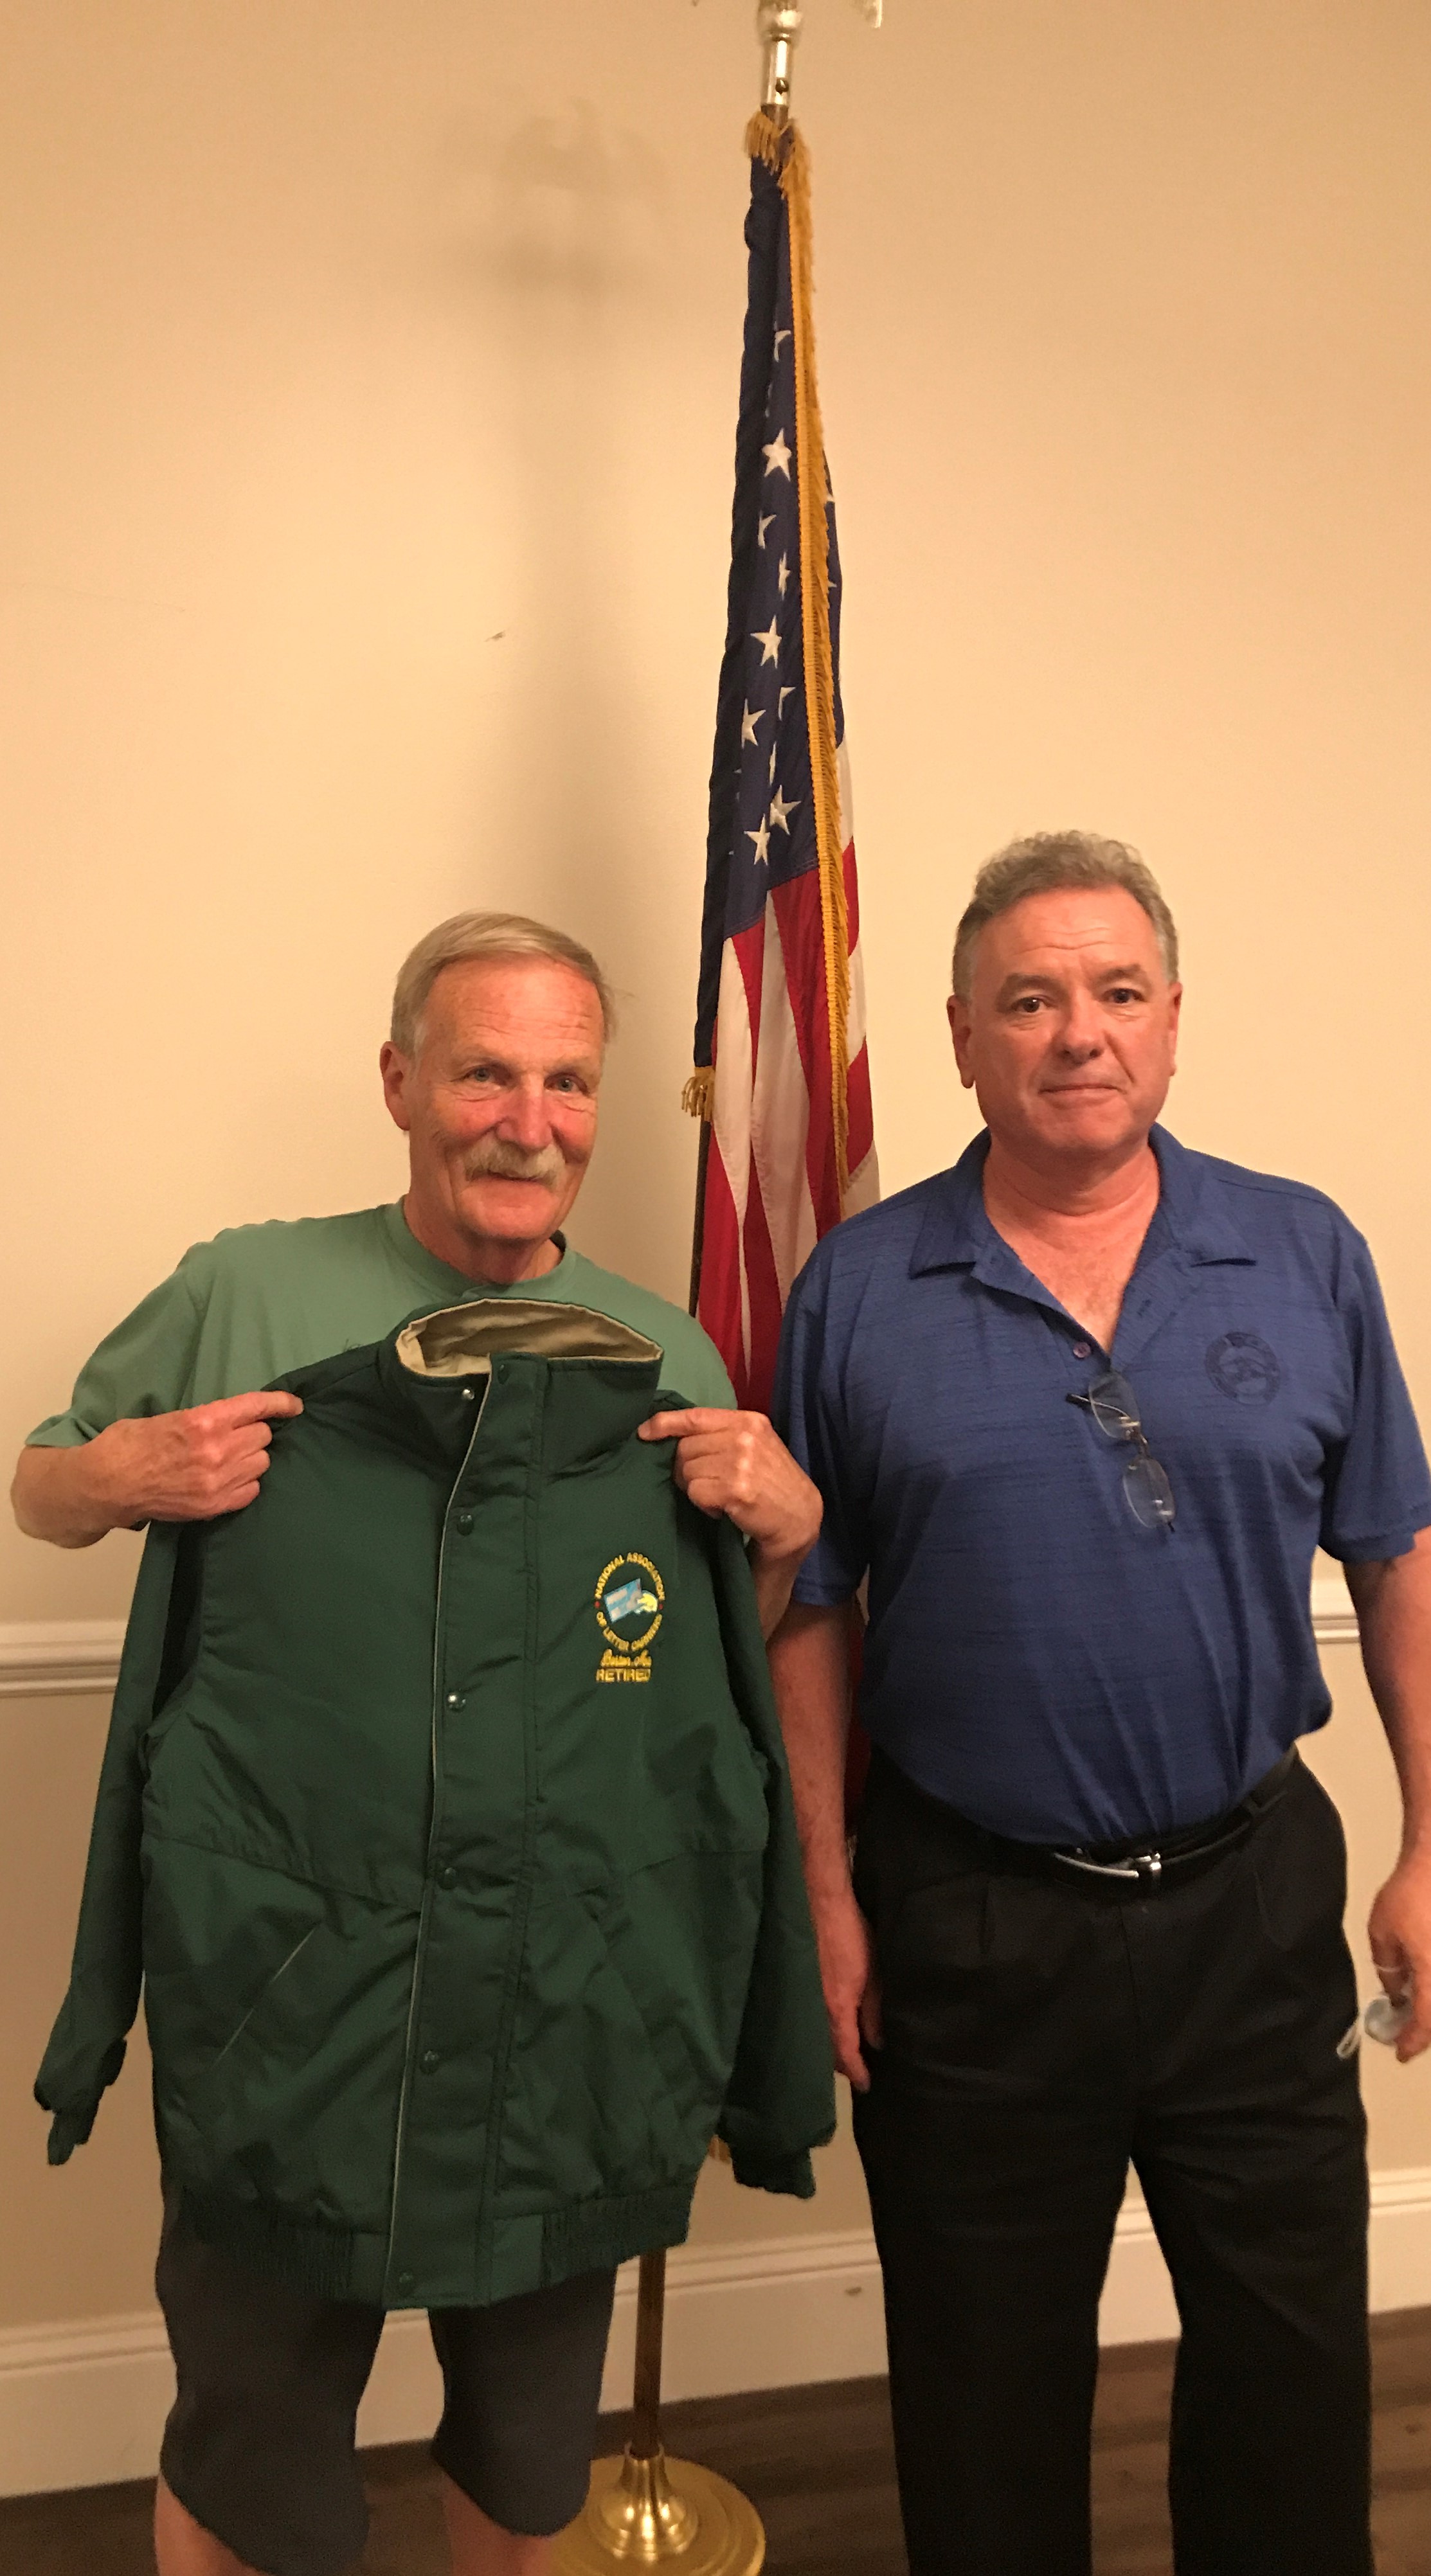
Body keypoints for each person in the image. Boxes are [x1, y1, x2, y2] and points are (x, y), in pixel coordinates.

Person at [14, 909, 823, 2576]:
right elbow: (43, 1483)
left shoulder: (660, 1354)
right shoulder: (243, 1291)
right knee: (250, 2448)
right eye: (483, 1076)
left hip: (560, 2007)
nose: (529, 1122)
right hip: (294, 2003)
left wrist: (786, 1531)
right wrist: (125, 1472)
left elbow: (698, 1667)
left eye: (567, 1082)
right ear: (400, 1083)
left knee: (529, 2456)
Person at [768, 832, 1431, 2576]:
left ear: (1172, 1019)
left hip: (1252, 1905)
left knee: (1290, 2380)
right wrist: (826, 1895)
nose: (1077, 1032)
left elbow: (1399, 1554)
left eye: (1116, 991)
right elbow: (809, 1608)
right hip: (970, 1915)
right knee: (982, 2398)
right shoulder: (858, 1288)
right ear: (962, 1038)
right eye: (1028, 1000)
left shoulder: (1302, 1251)